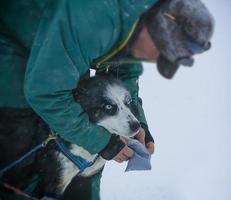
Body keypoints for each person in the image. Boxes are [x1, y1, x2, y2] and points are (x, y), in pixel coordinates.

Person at [0, 0, 214, 199]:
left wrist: (138, 124)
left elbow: (124, 73)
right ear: (154, 29)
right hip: (12, 42)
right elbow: (46, 94)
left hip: (60, 43)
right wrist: (103, 143)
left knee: (91, 130)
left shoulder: (136, 22)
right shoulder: (94, 17)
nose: (154, 60)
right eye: (160, 53)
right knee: (26, 137)